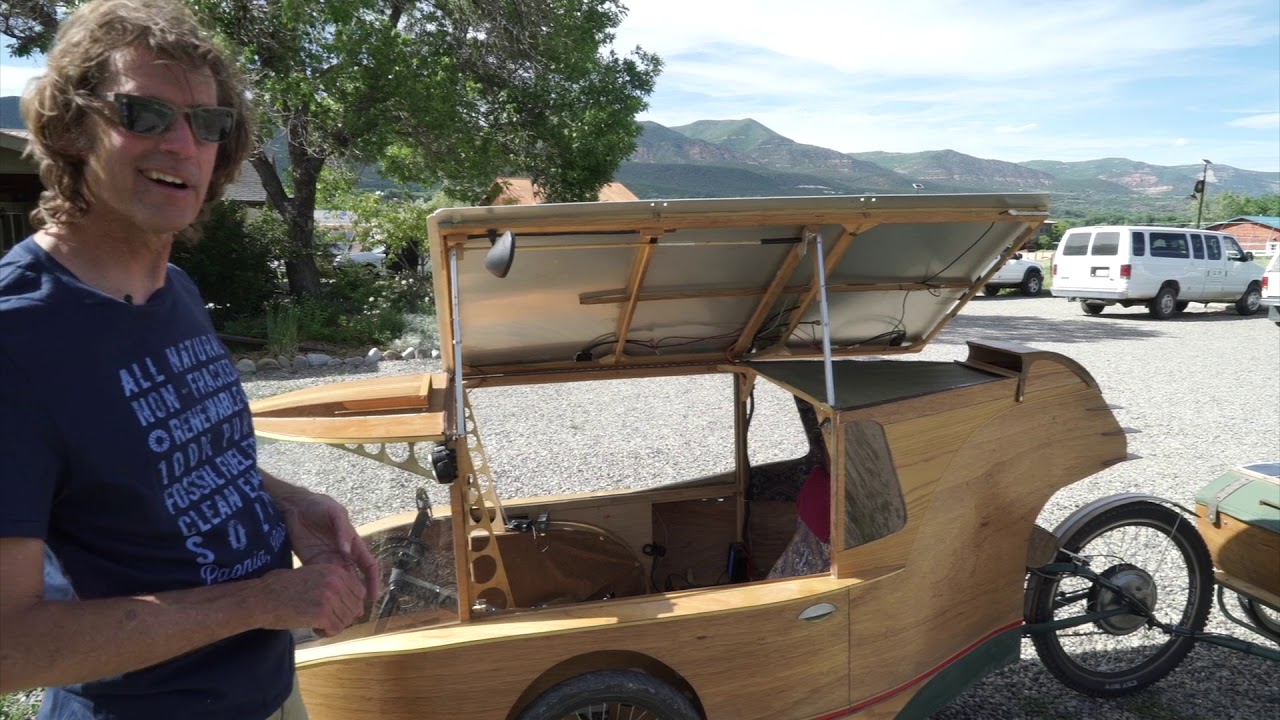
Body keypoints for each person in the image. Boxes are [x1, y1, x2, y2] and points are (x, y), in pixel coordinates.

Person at [0, 1, 379, 717]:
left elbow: (164, 460)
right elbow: (9, 645)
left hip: (267, 693)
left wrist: (292, 504)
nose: (182, 143)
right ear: (74, 129)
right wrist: (268, 600)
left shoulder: (172, 289)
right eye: (144, 115)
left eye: (208, 125)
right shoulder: (18, 342)